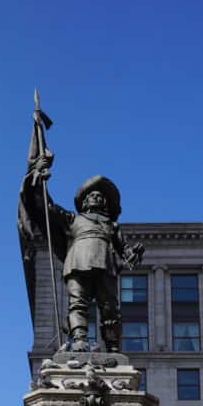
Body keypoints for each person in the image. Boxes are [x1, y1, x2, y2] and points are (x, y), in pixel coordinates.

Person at [19, 149, 144, 353]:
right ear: (84, 202)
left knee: (110, 308)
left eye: (99, 196)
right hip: (78, 262)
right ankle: (79, 340)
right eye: (91, 195)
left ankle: (112, 347)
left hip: (106, 264)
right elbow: (47, 207)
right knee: (78, 304)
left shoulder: (112, 226)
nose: (95, 197)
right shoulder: (73, 219)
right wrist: (39, 178)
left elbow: (125, 251)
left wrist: (133, 254)